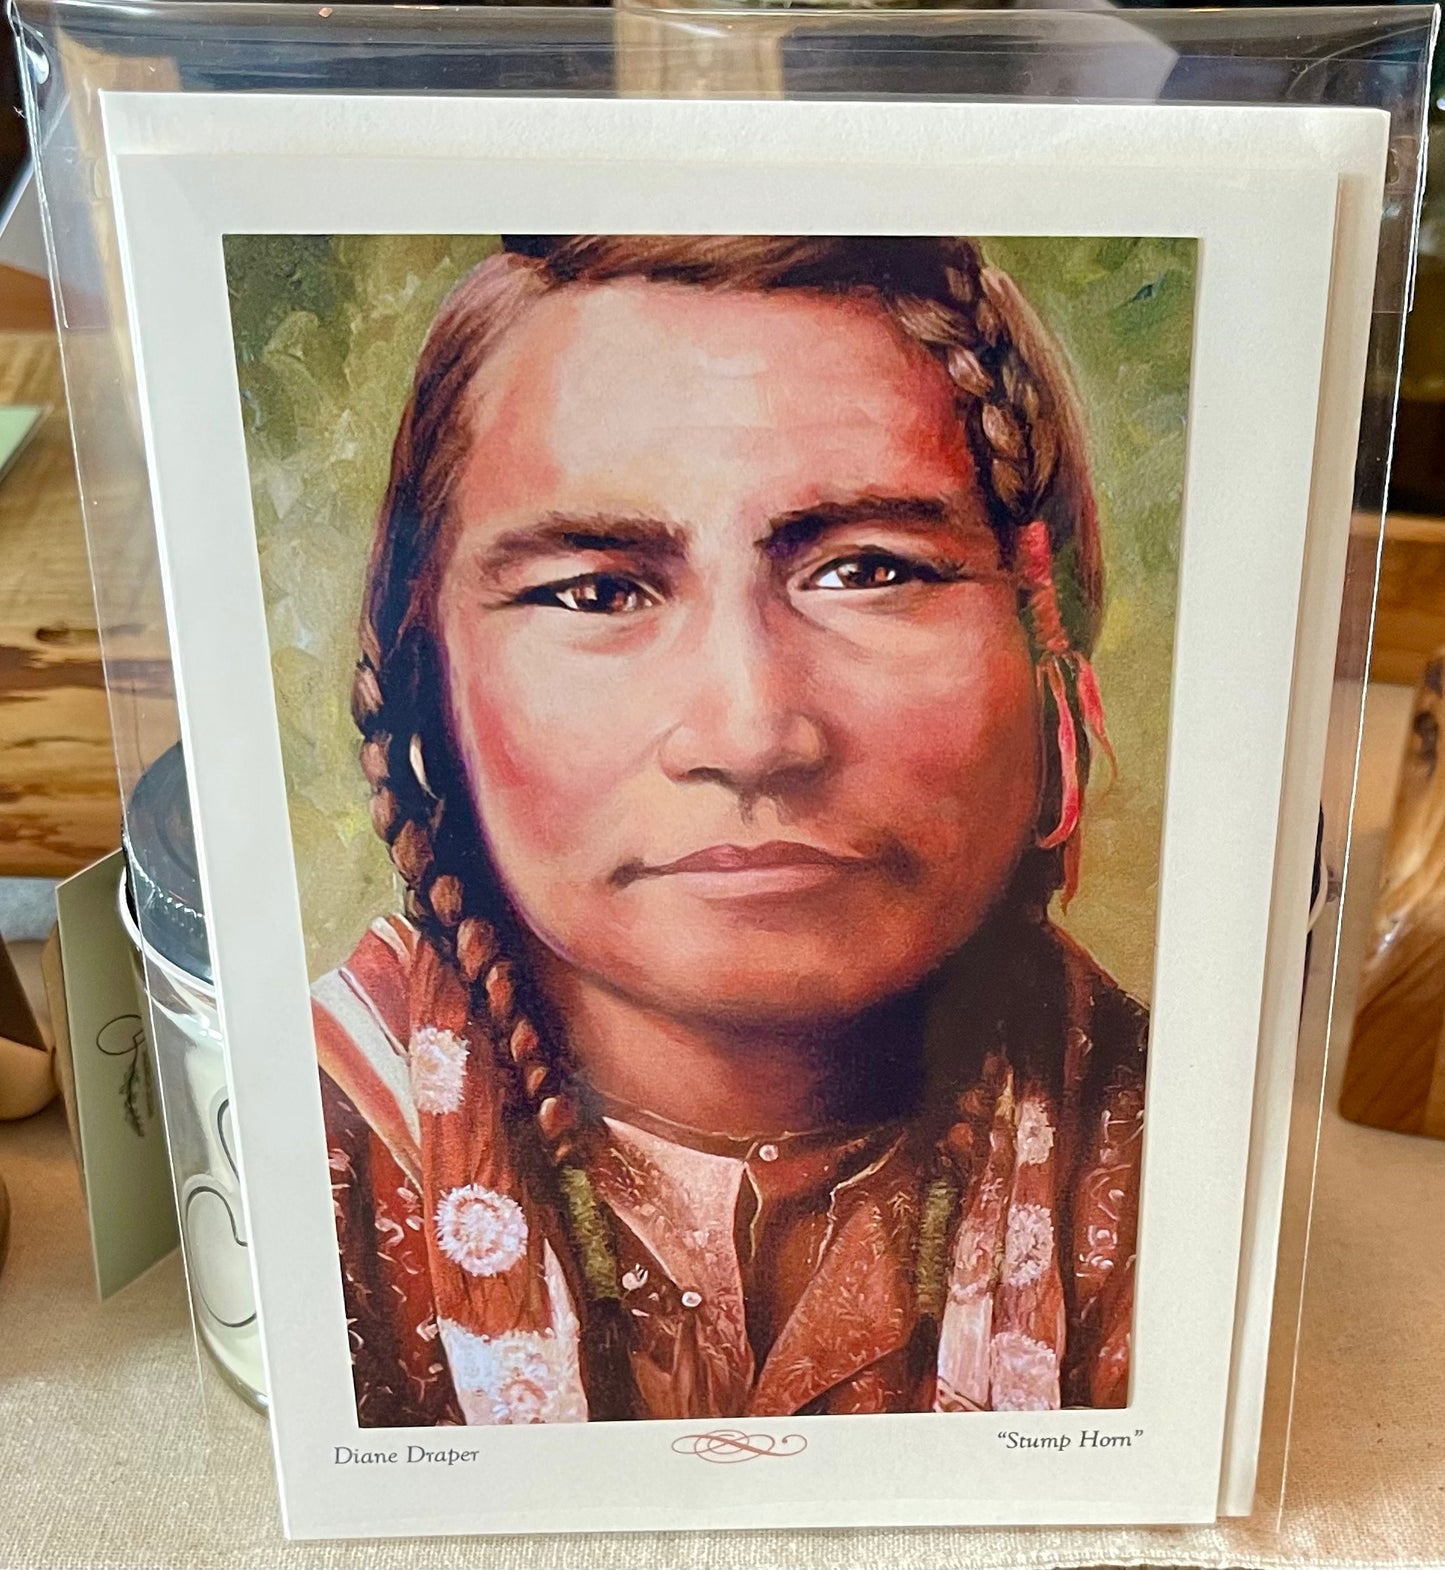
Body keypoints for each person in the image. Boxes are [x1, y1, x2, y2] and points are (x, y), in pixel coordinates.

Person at [312, 235, 1147, 1428]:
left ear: (1043, 640)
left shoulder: (1175, 1154)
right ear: (423, 675)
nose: (750, 734)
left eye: (868, 570)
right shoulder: (307, 1154)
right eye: (599, 592)